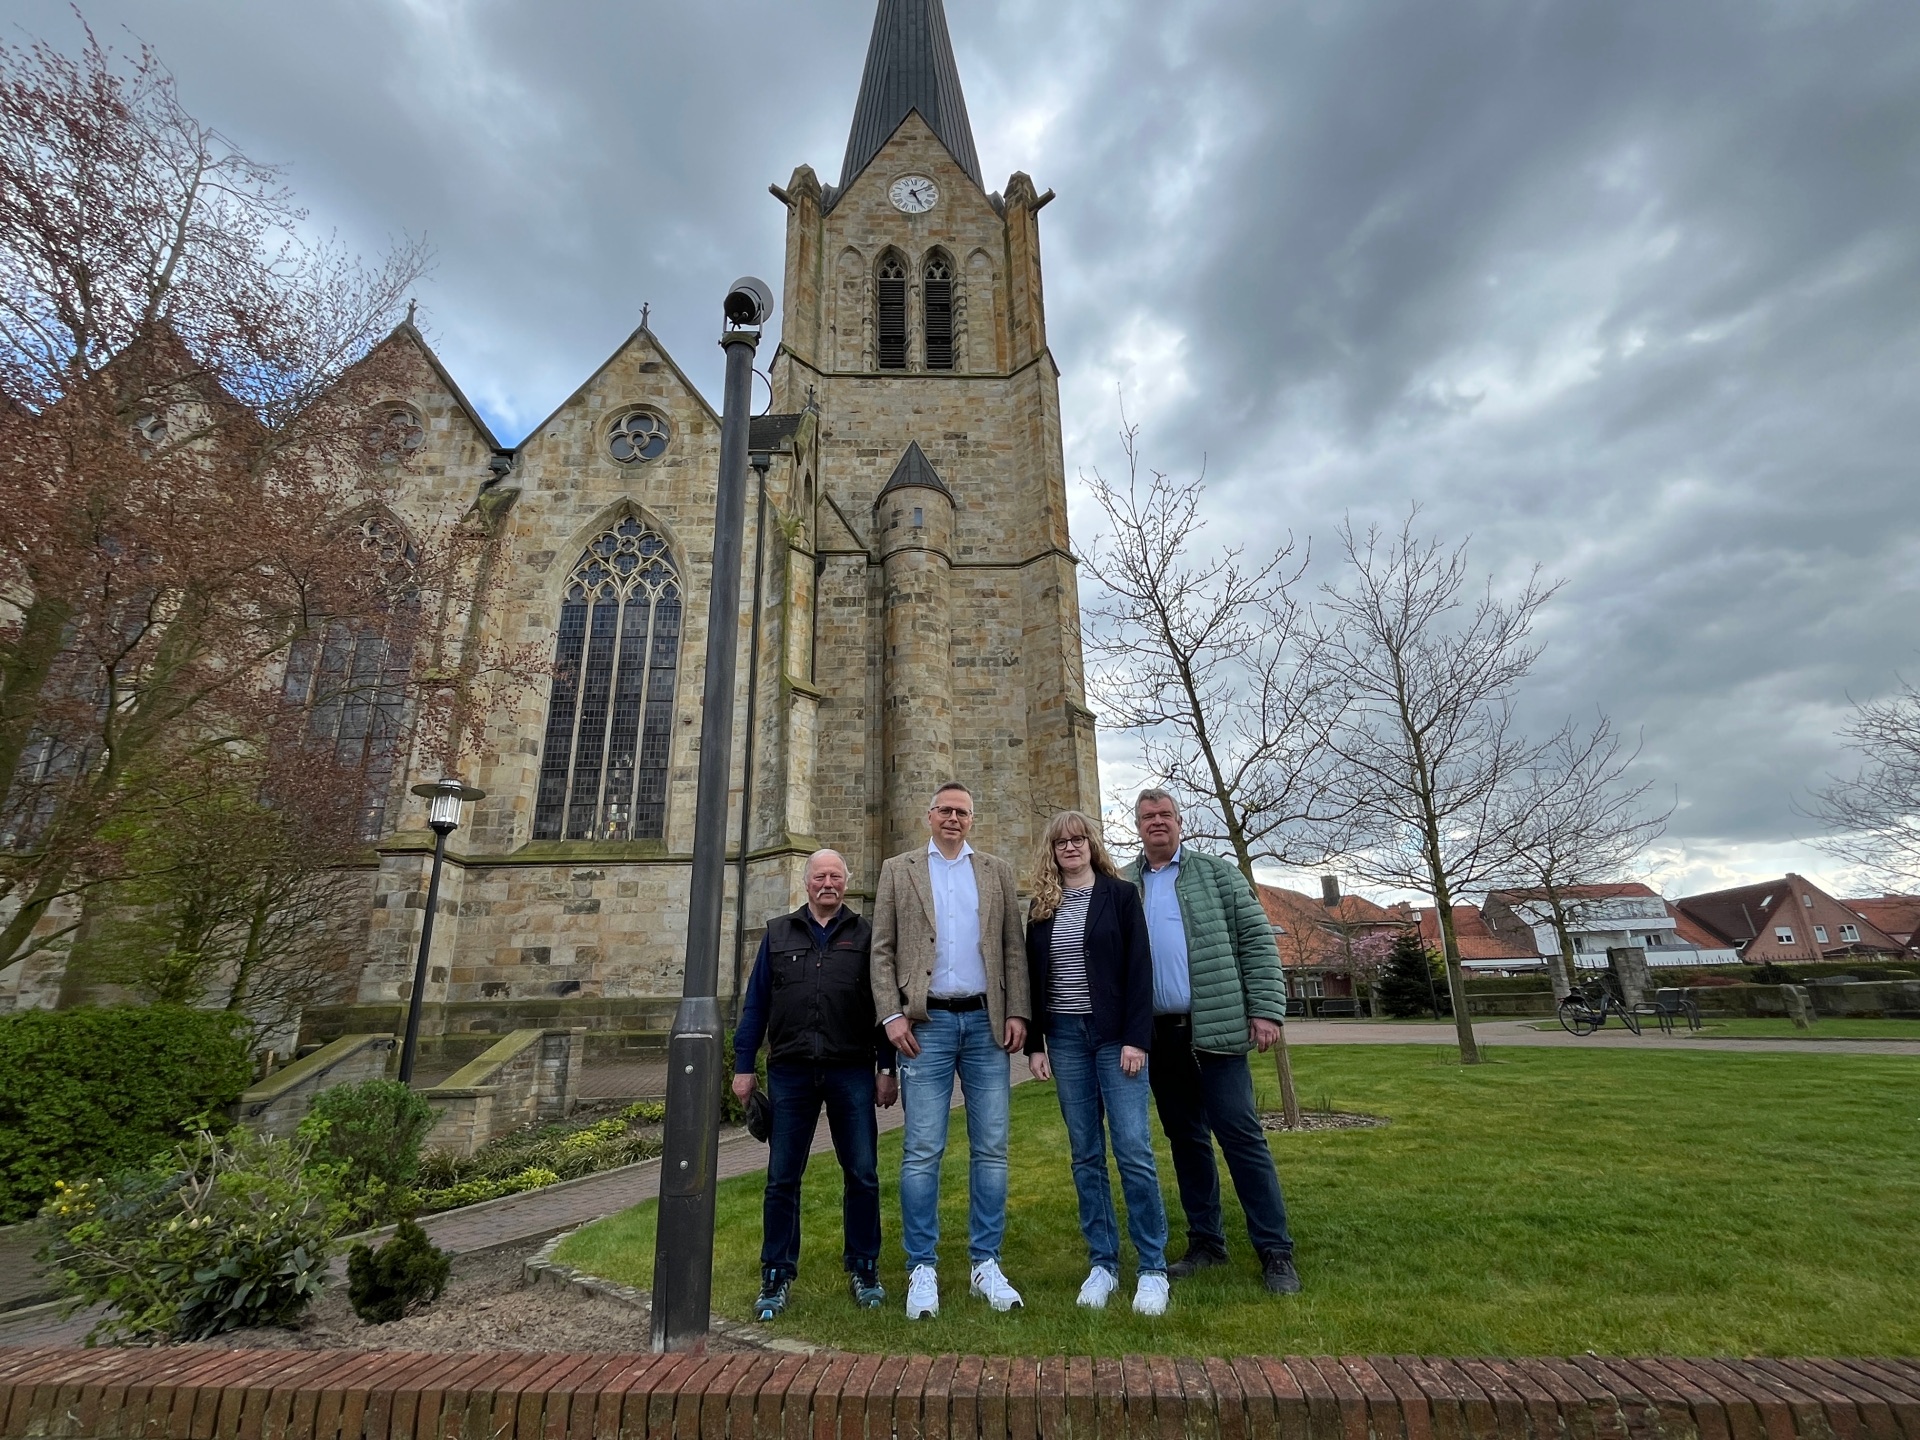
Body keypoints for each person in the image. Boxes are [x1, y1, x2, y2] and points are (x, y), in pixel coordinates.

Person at [1124, 788, 1303, 1295]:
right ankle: (1206, 1242)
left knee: (1242, 1139)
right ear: (1138, 826)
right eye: (1147, 816)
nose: (1157, 822)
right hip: (1160, 1036)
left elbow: (1257, 942)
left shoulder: (1217, 874)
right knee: (1186, 1142)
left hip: (1217, 1032)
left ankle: (1275, 1250)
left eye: (1165, 815)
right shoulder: (1124, 883)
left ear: (1180, 822)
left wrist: (1266, 1009)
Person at [870, 781, 1029, 1319]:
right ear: (929, 815)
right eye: (945, 810)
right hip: (926, 1025)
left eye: (962, 811)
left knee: (992, 1148)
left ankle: (986, 1263)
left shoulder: (996, 872)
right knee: (921, 1149)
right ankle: (923, 1267)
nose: (953, 819)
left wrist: (1017, 1011)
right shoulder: (899, 870)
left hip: (985, 1024)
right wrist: (891, 1016)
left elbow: (1012, 948)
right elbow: (882, 950)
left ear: (972, 819)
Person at [732, 848, 898, 1321]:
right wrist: (744, 1066)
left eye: (836, 877)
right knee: (782, 1177)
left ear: (846, 882)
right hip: (791, 1070)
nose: (828, 884)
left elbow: (883, 1005)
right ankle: (776, 1273)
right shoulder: (778, 933)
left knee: (862, 1172)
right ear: (806, 883)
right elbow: (756, 1005)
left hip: (851, 1069)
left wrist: (887, 1068)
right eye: (820, 877)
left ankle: (864, 1267)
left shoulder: (866, 935)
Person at [1024, 810, 1170, 1316]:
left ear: (1091, 844)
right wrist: (1036, 1045)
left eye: (1078, 839)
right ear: (1052, 851)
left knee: (1132, 1149)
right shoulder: (1042, 906)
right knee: (1085, 1153)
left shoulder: (1120, 895)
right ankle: (1103, 1263)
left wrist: (1136, 1039)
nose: (1070, 847)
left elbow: (1140, 969)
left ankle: (1152, 1267)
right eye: (1061, 842)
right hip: (1065, 1038)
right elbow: (1033, 978)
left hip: (1115, 1039)